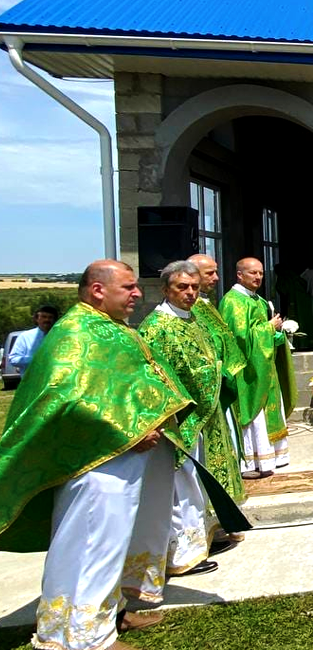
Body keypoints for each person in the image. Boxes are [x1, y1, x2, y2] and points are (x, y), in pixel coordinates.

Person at [0, 260, 193, 650]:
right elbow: (63, 398)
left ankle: (109, 613)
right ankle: (80, 636)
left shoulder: (107, 326)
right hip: (95, 465)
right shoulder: (74, 332)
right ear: (97, 290)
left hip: (122, 460)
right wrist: (128, 431)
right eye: (128, 287)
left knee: (112, 542)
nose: (137, 293)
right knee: (91, 544)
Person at [139, 261, 237, 578]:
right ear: (166, 289)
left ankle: (200, 541)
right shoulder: (157, 327)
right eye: (182, 287)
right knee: (179, 488)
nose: (190, 293)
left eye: (194, 287)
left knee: (196, 482)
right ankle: (181, 555)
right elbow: (156, 376)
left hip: (201, 413)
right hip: (179, 419)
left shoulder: (192, 318)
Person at [221, 257, 295, 478]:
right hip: (248, 372)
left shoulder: (258, 300)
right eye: (253, 273)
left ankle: (273, 457)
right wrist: (269, 328)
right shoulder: (233, 302)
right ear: (239, 275)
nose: (258, 277)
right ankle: (254, 460)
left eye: (261, 273)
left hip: (265, 366)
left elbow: (260, 332)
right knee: (256, 416)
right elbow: (239, 339)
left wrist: (278, 334)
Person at [187, 254, 250, 512]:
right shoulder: (192, 309)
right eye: (209, 273)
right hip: (208, 394)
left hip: (221, 386)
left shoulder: (205, 304)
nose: (216, 278)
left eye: (215, 272)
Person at [6, 304, 59, 374]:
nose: (47, 320)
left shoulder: (60, 336)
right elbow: (13, 359)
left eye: (50, 317)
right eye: (44, 317)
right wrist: (35, 359)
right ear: (37, 319)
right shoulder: (25, 337)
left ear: (55, 320)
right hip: (32, 379)